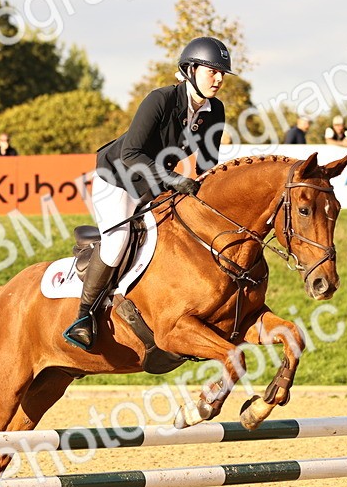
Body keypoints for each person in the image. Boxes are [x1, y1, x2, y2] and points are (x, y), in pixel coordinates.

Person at [63, 36, 232, 350]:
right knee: (118, 240)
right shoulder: (161, 99)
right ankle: (83, 316)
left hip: (154, 183)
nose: (219, 78)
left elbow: (208, 164)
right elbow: (131, 154)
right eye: (213, 71)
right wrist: (172, 180)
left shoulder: (214, 111)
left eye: (223, 73)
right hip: (116, 177)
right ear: (191, 69)